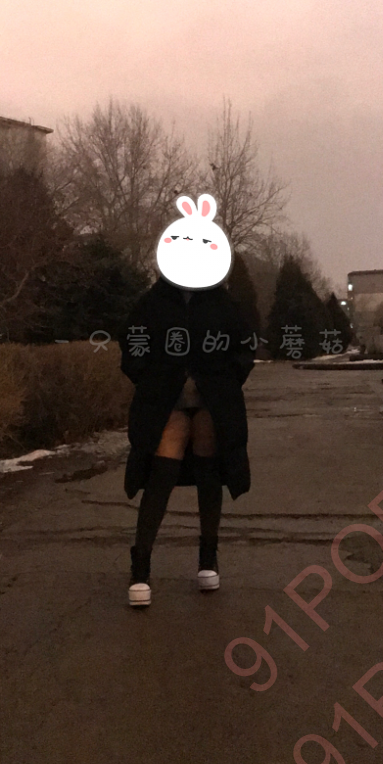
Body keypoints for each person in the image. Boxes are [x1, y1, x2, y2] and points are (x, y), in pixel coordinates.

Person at [118, 193, 256, 607]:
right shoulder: (152, 302)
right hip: (167, 403)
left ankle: (208, 560)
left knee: (210, 477)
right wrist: (154, 381)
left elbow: (243, 348)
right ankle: (140, 567)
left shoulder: (223, 303)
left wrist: (222, 383)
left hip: (211, 404)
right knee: (159, 476)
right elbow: (132, 346)